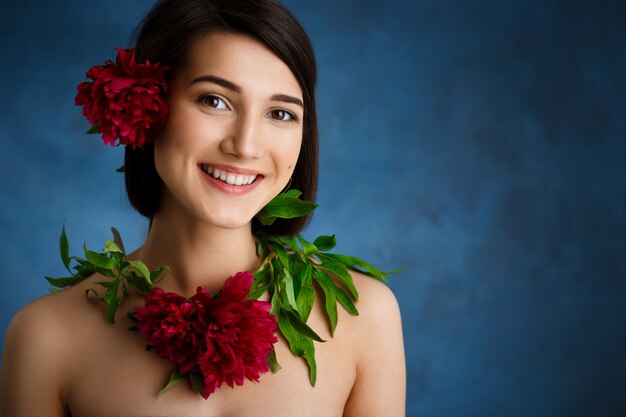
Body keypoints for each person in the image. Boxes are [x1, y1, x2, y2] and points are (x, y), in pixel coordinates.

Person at [0, 0, 406, 415]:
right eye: (214, 101)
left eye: (280, 113)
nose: (245, 145)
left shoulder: (366, 319)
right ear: (146, 107)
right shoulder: (46, 338)